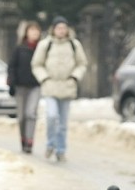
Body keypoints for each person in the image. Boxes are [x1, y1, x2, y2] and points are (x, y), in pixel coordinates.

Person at [31, 15, 88, 161]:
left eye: (64, 28)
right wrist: (44, 78)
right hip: (50, 86)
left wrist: (75, 77)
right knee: (51, 116)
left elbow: (82, 64)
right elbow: (37, 64)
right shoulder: (46, 44)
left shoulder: (74, 45)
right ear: (53, 29)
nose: (61, 31)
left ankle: (61, 150)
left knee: (62, 123)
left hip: (67, 87)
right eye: (59, 28)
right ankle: (50, 144)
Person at [7, 21, 42, 154]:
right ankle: (23, 138)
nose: (34, 33)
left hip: (35, 86)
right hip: (20, 86)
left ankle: (30, 141)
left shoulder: (42, 48)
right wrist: (12, 83)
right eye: (32, 30)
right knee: (21, 116)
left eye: (36, 30)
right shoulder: (19, 49)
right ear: (26, 32)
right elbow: (11, 66)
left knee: (31, 113)